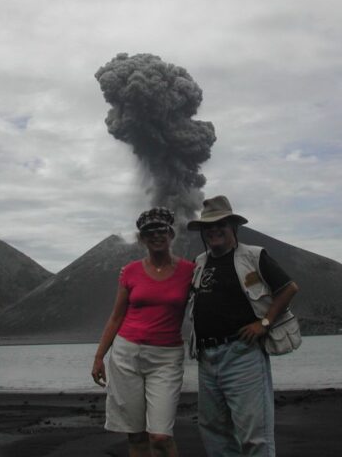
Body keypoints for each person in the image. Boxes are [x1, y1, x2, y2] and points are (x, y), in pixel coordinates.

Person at [187, 195, 299, 457]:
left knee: (255, 435)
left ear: (233, 227)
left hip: (242, 354)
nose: (214, 230)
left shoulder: (253, 256)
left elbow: (289, 288)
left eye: (220, 224)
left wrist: (265, 323)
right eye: (208, 226)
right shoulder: (199, 263)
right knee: (214, 431)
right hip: (206, 357)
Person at [92, 207, 196, 457]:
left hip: (166, 358)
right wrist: (99, 357)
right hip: (126, 354)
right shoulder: (130, 271)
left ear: (171, 234)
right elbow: (116, 316)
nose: (156, 235)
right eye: (149, 232)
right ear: (142, 238)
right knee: (136, 435)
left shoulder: (189, 271)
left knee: (160, 436)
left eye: (161, 230)